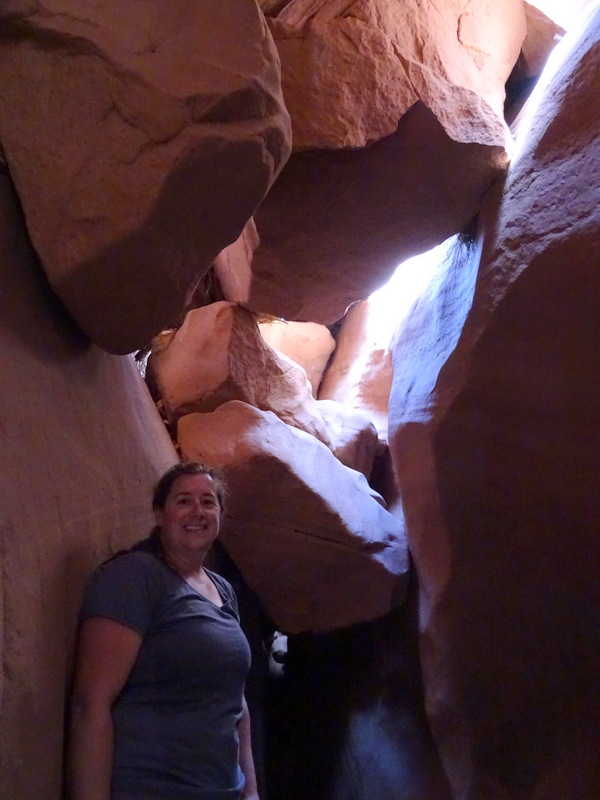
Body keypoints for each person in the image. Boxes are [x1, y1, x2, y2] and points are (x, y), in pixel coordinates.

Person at [68, 462, 259, 800]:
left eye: (208, 501)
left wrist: (251, 790)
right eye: (183, 501)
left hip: (225, 788)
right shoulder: (133, 577)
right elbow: (91, 702)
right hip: (152, 787)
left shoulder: (222, 590)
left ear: (221, 513)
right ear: (159, 513)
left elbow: (235, 700)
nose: (197, 511)